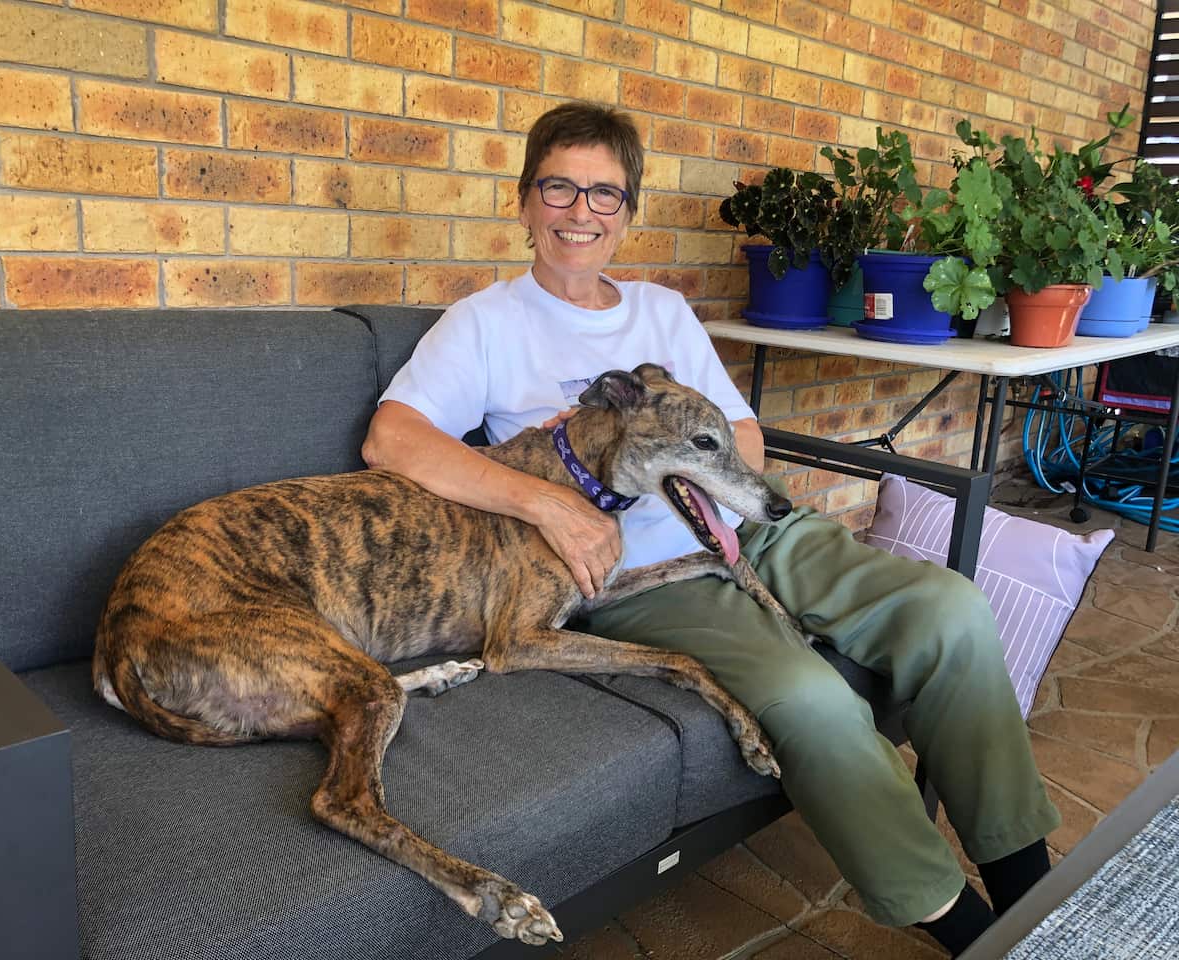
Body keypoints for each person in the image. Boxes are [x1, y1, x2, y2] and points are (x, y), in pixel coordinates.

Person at [362, 100, 1059, 957]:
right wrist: (548, 502)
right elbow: (392, 438)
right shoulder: (484, 323)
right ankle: (978, 936)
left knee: (951, 608)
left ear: (628, 212)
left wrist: (722, 502)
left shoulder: (661, 312)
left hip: (744, 526)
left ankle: (1042, 899)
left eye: (605, 195)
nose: (581, 212)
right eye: (560, 188)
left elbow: (742, 435)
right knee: (810, 698)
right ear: (523, 201)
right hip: (640, 577)